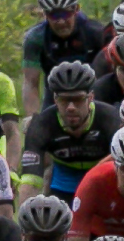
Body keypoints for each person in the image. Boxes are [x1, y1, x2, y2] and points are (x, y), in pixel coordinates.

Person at [17, 59, 118, 201]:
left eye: (77, 99)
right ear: (55, 99)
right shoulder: (41, 124)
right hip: (64, 184)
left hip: (103, 179)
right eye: (64, 100)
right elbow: (30, 183)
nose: (71, 107)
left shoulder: (109, 118)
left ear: (91, 98)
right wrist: (27, 218)